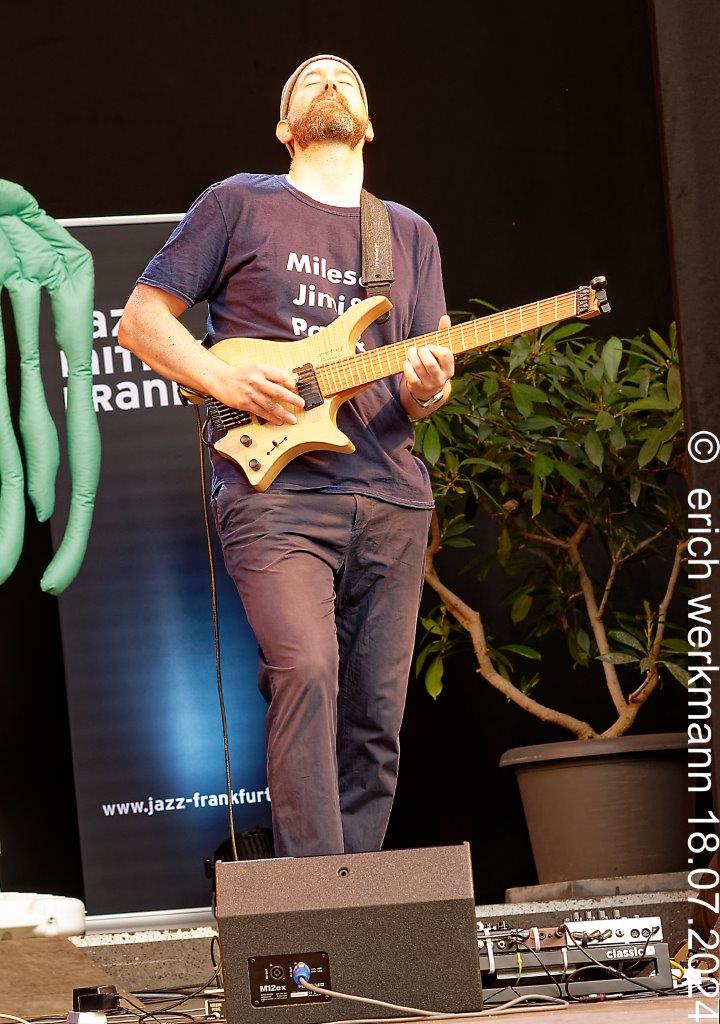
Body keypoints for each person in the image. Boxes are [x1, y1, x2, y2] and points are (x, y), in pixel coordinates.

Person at [118, 54, 455, 858]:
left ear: (368, 124)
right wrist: (223, 378)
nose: (330, 84)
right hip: (276, 494)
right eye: (311, 81)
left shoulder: (407, 233)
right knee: (306, 671)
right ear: (284, 127)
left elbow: (421, 389)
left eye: (347, 82)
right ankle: (313, 899)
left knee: (377, 714)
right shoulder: (239, 203)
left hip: (391, 495)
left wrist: (429, 388)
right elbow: (140, 321)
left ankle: (357, 896)